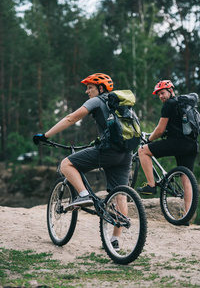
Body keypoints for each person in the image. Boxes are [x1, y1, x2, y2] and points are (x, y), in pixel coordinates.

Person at [33, 72, 133, 250]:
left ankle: (83, 195)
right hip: (126, 152)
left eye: (90, 88)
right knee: (120, 194)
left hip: (109, 151)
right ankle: (115, 241)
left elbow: (71, 118)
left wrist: (45, 135)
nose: (87, 91)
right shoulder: (119, 104)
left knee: (66, 164)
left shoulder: (97, 101)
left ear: (100, 89)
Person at [137, 80, 198, 204]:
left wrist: (148, 140)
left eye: (162, 93)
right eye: (158, 94)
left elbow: (159, 130)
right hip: (192, 145)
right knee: (186, 179)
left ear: (171, 91)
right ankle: (187, 215)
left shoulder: (169, 105)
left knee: (143, 151)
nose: (161, 96)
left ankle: (151, 185)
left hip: (177, 144)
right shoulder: (184, 104)